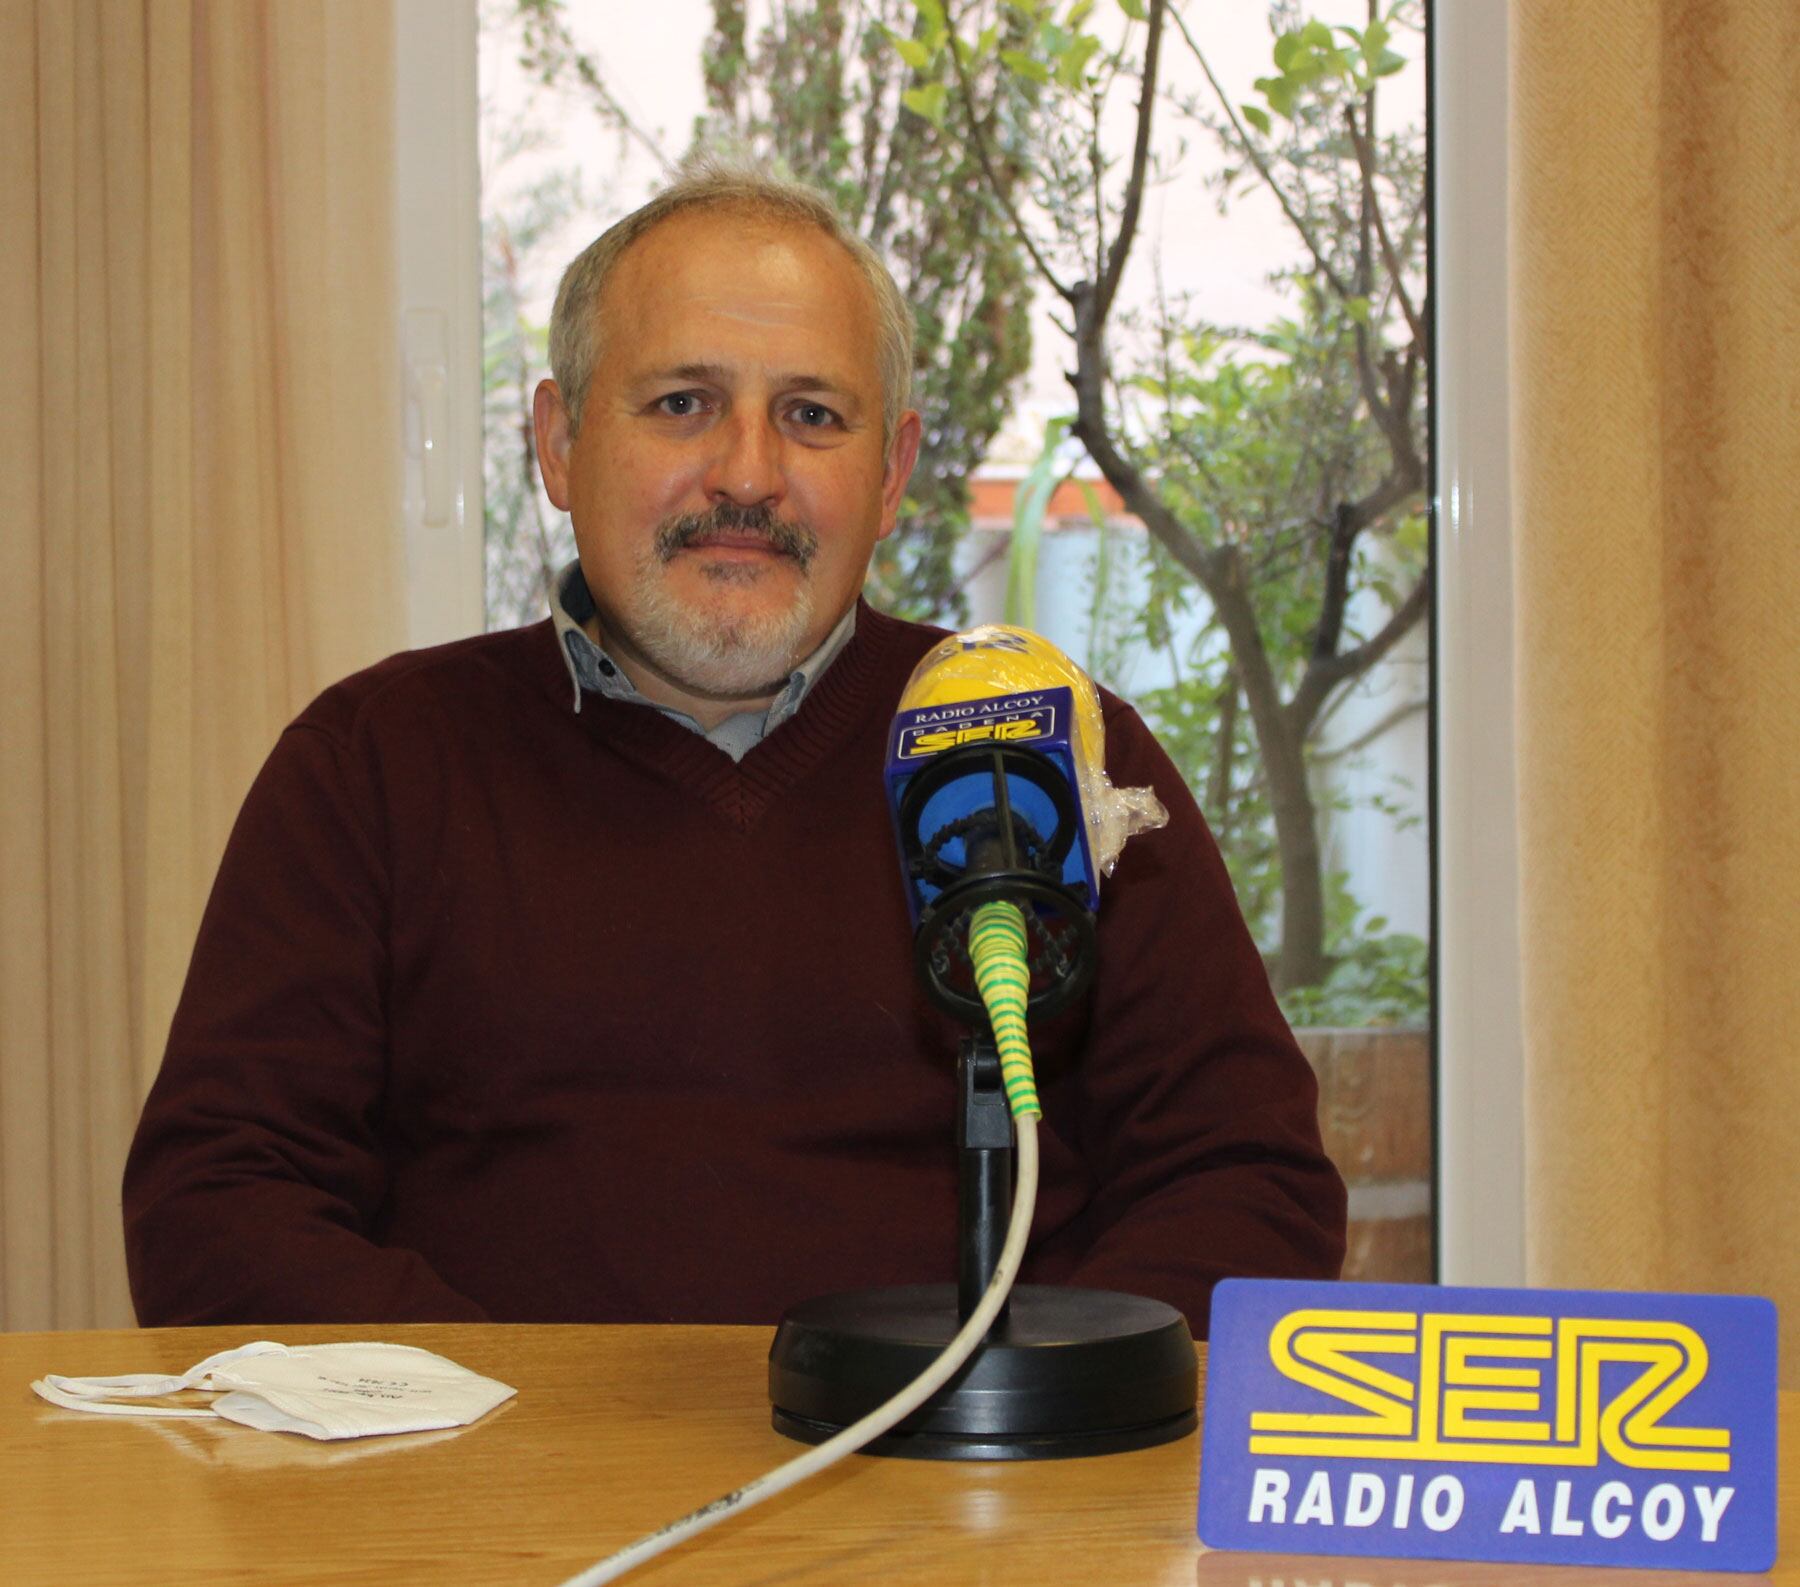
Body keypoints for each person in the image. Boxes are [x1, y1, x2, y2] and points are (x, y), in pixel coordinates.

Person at [123, 159, 1345, 1329]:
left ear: (892, 472)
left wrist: (1018, 1408)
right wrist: (515, 1443)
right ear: (559, 443)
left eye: (812, 415)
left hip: (964, 1508)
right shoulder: (373, 764)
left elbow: (1250, 1185)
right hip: (511, 1517)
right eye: (682, 404)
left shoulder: (1048, 749)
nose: (748, 474)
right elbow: (222, 1205)